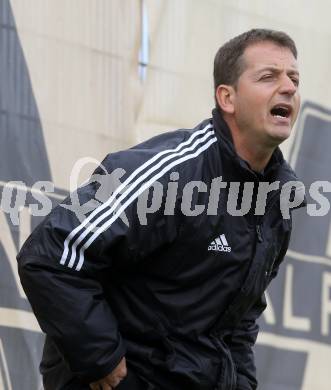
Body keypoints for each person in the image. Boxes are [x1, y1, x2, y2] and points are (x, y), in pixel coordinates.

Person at [17, 28, 303, 390]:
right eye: (268, 76)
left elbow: (241, 318)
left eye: (294, 77)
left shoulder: (279, 198)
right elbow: (50, 255)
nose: (289, 87)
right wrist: (102, 360)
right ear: (227, 98)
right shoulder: (172, 173)